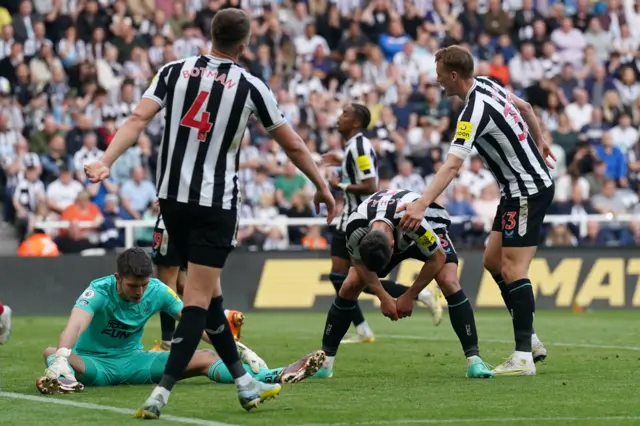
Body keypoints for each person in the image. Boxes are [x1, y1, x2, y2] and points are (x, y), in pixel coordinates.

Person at [84, 8, 335, 417]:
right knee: (197, 299)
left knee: (211, 297)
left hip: (172, 203)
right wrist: (322, 186)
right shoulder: (251, 86)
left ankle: (244, 383)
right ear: (245, 42)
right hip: (214, 205)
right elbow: (291, 145)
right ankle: (162, 392)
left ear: (210, 35)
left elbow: (137, 118)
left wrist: (105, 160)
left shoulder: (172, 72)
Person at [397, 45, 556, 376]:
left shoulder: (472, 112)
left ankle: (524, 357)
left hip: (526, 191)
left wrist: (422, 202)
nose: (438, 81)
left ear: (454, 76)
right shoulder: (488, 83)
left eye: (440, 75)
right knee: (492, 261)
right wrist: (540, 143)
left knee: (513, 270)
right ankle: (532, 339)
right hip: (517, 190)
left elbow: (453, 165)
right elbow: (525, 107)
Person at [37, 248, 325, 395]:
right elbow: (75, 325)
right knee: (52, 353)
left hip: (135, 362)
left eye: (143, 285)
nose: (139, 292)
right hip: (94, 365)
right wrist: (64, 355)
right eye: (132, 286)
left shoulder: (158, 290)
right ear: (118, 279)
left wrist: (239, 348)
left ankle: (275, 374)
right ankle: (64, 377)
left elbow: (194, 322)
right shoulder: (99, 290)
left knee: (205, 357)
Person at [313, 189, 493, 379]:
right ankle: (325, 364)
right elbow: (358, 264)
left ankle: (474, 360)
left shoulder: (413, 222)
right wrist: (384, 297)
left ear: (392, 246)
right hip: (388, 224)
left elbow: (437, 258)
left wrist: (408, 296)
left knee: (448, 281)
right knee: (350, 284)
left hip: (428, 220)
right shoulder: (355, 227)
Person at [322, 104, 442, 345]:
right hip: (356, 218)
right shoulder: (351, 148)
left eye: (345, 114)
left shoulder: (359, 146)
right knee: (347, 278)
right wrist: (342, 163)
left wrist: (338, 187)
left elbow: (369, 185)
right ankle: (367, 325)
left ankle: (370, 325)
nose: (339, 117)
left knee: (345, 278)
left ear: (356, 122)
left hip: (359, 220)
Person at [148, 212, 244, 352]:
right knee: (182, 284)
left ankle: (166, 343)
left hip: (172, 219)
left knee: (167, 283)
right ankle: (224, 316)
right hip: (193, 221)